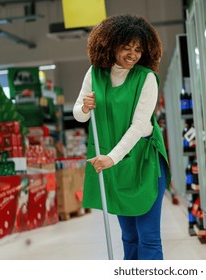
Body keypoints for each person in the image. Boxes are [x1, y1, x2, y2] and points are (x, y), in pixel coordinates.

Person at [73, 14, 171, 260]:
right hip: (114, 162)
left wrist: (111, 158)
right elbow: (79, 116)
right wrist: (85, 107)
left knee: (148, 237)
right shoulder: (95, 74)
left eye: (138, 49)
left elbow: (139, 125)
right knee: (129, 237)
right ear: (110, 46)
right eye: (126, 48)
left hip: (142, 163)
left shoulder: (146, 78)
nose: (133, 54)